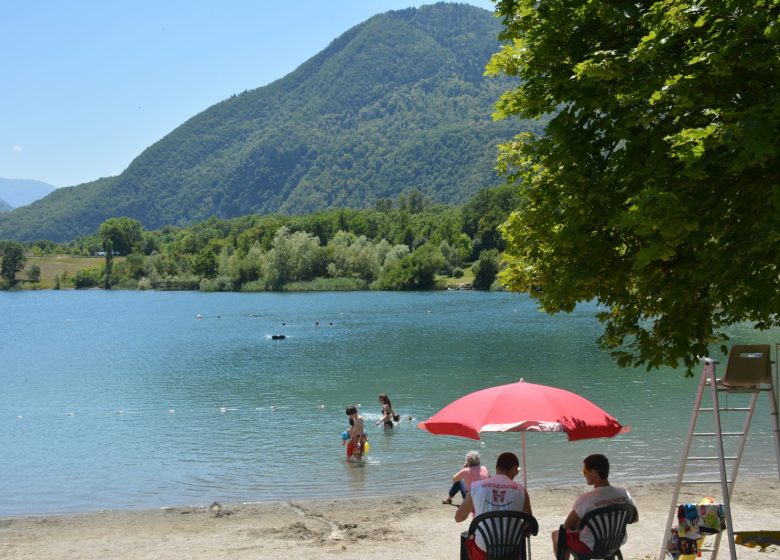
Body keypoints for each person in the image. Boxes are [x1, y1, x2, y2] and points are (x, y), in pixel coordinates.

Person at [552, 454, 637, 560]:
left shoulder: (586, 499)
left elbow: (567, 526)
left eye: (585, 472)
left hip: (590, 546)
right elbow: (634, 518)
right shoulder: (624, 493)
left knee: (556, 535)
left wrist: (582, 523)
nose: (584, 475)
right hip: (614, 543)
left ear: (594, 473)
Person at [455, 452, 532, 560]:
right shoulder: (521, 491)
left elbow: (459, 518)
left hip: (483, 551)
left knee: (468, 538)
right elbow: (529, 522)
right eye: (517, 472)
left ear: (496, 468)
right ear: (514, 469)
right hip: (511, 552)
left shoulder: (476, 487)